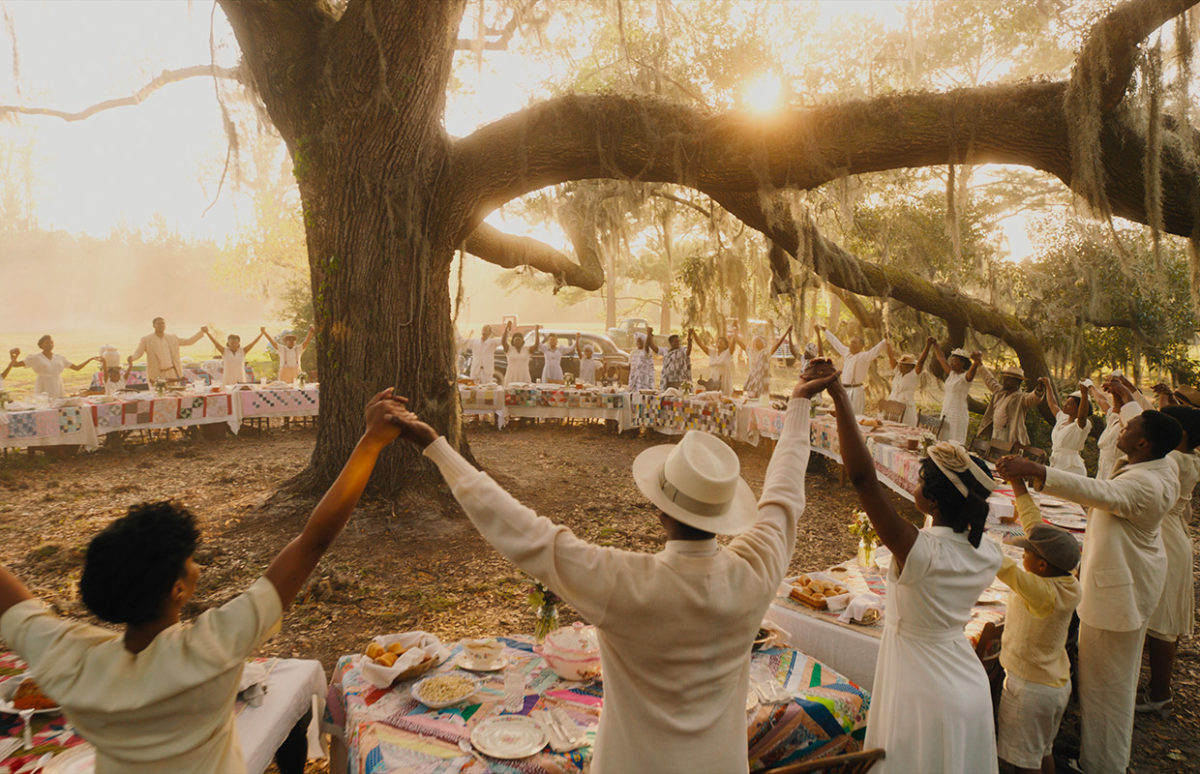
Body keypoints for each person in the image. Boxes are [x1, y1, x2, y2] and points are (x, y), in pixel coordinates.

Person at [390, 361, 838, 773]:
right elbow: (784, 496)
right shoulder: (756, 569)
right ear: (724, 515)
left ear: (660, 509)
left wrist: (437, 448)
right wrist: (798, 404)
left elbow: (528, 535)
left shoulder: (625, 584)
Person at [0, 389, 409, 774]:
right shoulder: (209, 649)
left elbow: (13, 602)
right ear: (177, 589)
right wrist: (370, 443)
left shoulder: (69, 662)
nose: (198, 567)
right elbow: (312, 543)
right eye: (190, 561)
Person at [827, 369, 1002, 773]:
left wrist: (840, 395)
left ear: (936, 502)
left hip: (921, 690)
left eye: (921, 480)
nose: (914, 483)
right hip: (965, 684)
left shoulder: (920, 553)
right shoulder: (988, 552)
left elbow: (863, 478)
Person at [997, 392, 1182, 774]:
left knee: (1107, 693)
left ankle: (1102, 766)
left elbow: (1098, 492)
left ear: (1142, 443)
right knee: (1105, 685)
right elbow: (1137, 417)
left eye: (1129, 427)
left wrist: (1037, 470)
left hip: (1118, 599)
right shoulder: (1159, 460)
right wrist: (1126, 397)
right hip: (1125, 585)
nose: (1122, 426)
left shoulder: (1146, 485)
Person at [993, 469, 1082, 774]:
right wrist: (1017, 482)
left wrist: (968, 526)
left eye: (1026, 554)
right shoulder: (1067, 581)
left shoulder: (1040, 592)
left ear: (1041, 564)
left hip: (1028, 691)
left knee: (1016, 763)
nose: (1022, 557)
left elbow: (1002, 567)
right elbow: (1033, 523)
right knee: (1042, 753)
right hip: (1055, 686)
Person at [1138, 403, 1200, 717]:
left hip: (1167, 539)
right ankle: (1157, 687)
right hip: (1174, 535)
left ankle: (1160, 692)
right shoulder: (1189, 457)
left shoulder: (1173, 459)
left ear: (1182, 432)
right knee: (1162, 622)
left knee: (1161, 623)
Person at [816, 324, 888, 415]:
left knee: (855, 416)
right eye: (851, 342)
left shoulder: (864, 357)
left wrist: (885, 340)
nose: (851, 344)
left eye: (854, 343)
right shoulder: (846, 352)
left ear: (861, 346)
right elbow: (836, 343)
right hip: (844, 389)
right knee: (842, 414)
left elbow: (876, 350)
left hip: (857, 391)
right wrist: (825, 331)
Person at [976, 364, 1045, 448]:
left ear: (1017, 382)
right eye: (1005, 378)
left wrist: (1039, 390)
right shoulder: (1000, 392)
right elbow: (990, 380)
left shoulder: (1021, 398)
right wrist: (980, 365)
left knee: (1005, 457)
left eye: (1009, 380)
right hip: (996, 431)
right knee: (993, 454)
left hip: (1010, 434)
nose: (1005, 381)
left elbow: (1032, 398)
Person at [12, 336, 99, 399]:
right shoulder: (35, 358)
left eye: (51, 342)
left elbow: (77, 368)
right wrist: (14, 355)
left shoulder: (59, 357)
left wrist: (89, 360)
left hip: (58, 384)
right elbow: (15, 364)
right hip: (44, 384)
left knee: (59, 405)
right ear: (41, 345)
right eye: (47, 343)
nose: (50, 344)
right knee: (44, 405)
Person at [928, 342, 981, 444]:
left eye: (955, 361)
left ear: (963, 363)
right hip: (946, 411)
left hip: (958, 413)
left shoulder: (965, 377)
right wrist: (935, 344)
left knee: (954, 440)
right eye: (951, 361)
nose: (951, 363)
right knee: (941, 438)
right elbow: (941, 358)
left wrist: (976, 361)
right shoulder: (951, 373)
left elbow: (973, 370)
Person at [129, 318, 206, 383]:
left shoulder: (172, 338)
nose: (161, 326)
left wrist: (201, 332)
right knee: (158, 395)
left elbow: (189, 341)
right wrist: (132, 358)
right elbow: (138, 352)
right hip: (156, 373)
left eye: (163, 324)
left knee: (173, 395)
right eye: (158, 324)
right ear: (153, 326)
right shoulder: (146, 340)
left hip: (172, 373)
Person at [1043, 378, 1092, 476]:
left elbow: (1082, 416)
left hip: (1072, 468)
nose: (1065, 405)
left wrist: (1084, 394)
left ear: (1079, 408)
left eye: (1070, 404)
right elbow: (1052, 403)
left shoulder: (1082, 424)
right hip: (1056, 464)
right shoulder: (1062, 418)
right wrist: (1047, 385)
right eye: (1066, 402)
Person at [883, 338, 933, 425]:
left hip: (906, 408)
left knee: (904, 428)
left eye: (905, 365)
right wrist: (887, 342)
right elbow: (891, 357)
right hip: (892, 405)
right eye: (901, 364)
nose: (901, 366)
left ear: (911, 366)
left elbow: (921, 362)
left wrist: (928, 345)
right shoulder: (898, 372)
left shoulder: (914, 374)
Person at [743, 326, 792, 398]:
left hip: (762, 382)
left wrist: (786, 333)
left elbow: (777, 344)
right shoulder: (751, 352)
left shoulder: (765, 353)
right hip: (752, 382)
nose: (756, 343)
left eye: (759, 342)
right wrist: (735, 335)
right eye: (755, 341)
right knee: (751, 399)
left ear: (763, 344)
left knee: (761, 400)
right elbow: (742, 345)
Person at [692, 330, 740, 396]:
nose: (719, 343)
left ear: (725, 345)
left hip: (724, 380)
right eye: (718, 342)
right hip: (713, 380)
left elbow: (733, 345)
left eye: (721, 342)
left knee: (724, 399)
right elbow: (701, 345)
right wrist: (694, 334)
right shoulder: (713, 353)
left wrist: (734, 336)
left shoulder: (727, 353)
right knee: (713, 398)